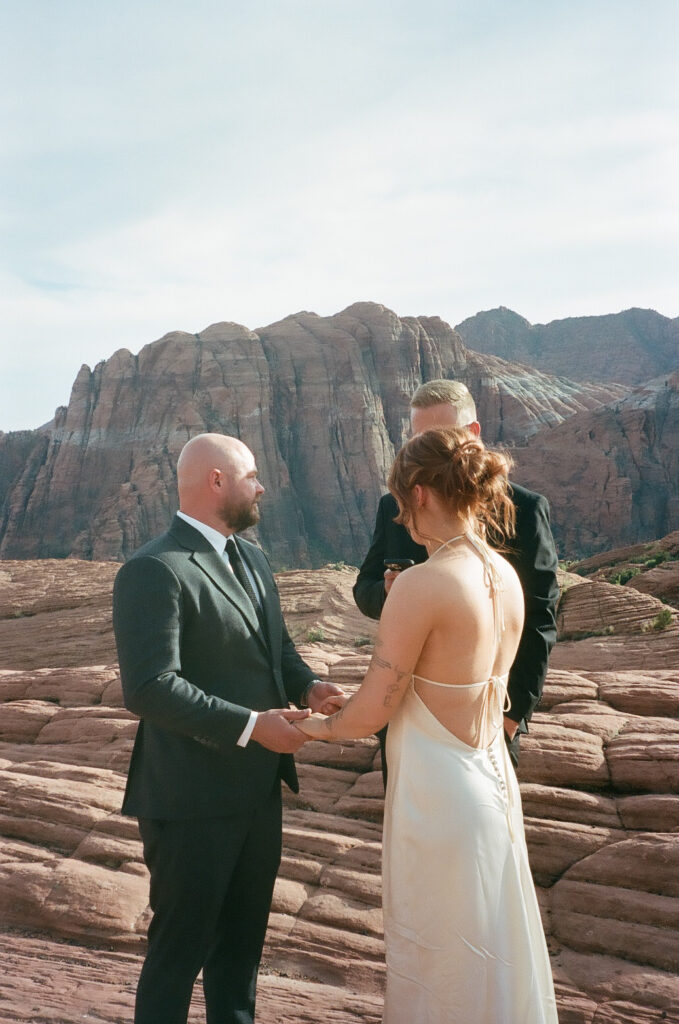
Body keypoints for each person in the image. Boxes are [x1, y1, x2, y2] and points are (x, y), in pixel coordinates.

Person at [297, 426, 558, 1023]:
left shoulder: (422, 583)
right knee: (495, 953)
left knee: (440, 957)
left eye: (397, 498)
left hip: (438, 796)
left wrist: (314, 727)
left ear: (417, 493)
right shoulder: (504, 575)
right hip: (491, 781)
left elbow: (374, 711)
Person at [112, 433, 343, 1024]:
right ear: (216, 481)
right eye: (252, 475)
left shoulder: (254, 557)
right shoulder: (153, 569)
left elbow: (278, 649)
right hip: (188, 800)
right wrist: (250, 726)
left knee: (239, 960)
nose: (262, 486)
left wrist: (309, 685)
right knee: (176, 958)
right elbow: (149, 687)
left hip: (257, 793)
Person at [353, 379, 559, 769]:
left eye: (439, 437)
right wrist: (389, 592)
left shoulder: (525, 509)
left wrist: (510, 721)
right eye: (418, 439)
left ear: (473, 434)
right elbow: (363, 590)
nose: (424, 452)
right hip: (406, 725)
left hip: (486, 723)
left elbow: (540, 621)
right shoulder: (393, 505)